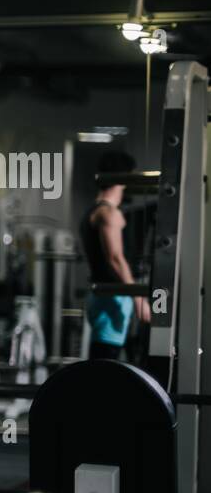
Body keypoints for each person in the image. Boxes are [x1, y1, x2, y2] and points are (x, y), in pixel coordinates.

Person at [79, 150, 149, 360]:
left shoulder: (93, 210)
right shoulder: (108, 213)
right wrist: (138, 298)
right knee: (104, 362)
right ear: (123, 177)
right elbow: (115, 258)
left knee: (116, 360)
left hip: (107, 296)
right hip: (113, 298)